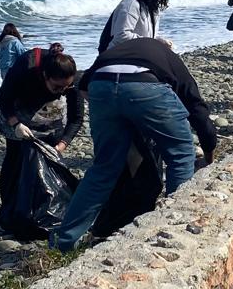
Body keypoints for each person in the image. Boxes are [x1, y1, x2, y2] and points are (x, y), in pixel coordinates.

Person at [50, 37, 217, 251]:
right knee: (181, 155)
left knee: (104, 168)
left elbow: (82, 87)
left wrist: (122, 115)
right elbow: (196, 107)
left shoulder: (121, 50)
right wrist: (210, 155)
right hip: (144, 85)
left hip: (100, 86)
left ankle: (64, 242)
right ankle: (174, 231)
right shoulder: (170, 58)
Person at [0, 44, 83, 236]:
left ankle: (42, 211)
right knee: (16, 158)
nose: (62, 91)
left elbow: (77, 118)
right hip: (19, 108)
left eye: (66, 87)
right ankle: (12, 212)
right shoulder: (26, 66)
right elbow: (3, 98)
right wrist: (15, 124)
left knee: (46, 166)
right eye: (57, 87)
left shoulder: (70, 81)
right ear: (45, 76)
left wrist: (61, 145)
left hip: (49, 114)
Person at [100, 0, 170, 53]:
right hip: (118, 54)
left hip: (136, 52)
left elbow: (146, 35)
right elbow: (121, 35)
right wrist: (151, 43)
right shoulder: (131, 4)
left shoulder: (150, 5)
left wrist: (159, 41)